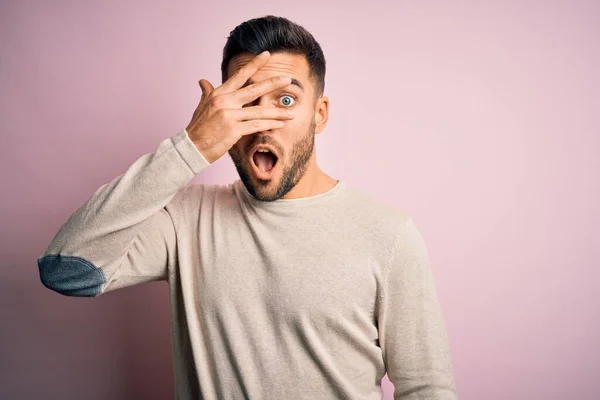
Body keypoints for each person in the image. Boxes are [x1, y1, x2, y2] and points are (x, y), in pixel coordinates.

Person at [37, 15, 458, 400]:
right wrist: (192, 145)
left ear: (320, 114)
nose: (264, 120)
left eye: (286, 101)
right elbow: (66, 270)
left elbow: (426, 387)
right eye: (246, 100)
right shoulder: (186, 221)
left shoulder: (388, 235)